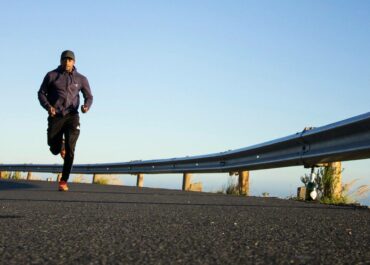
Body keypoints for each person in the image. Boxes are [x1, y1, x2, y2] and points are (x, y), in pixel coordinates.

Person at [38, 50, 93, 191]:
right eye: (65, 59)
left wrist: (86, 106)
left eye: (70, 60)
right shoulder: (51, 75)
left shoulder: (81, 79)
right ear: (61, 60)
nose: (67, 62)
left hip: (72, 116)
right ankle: (59, 146)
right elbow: (41, 93)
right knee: (53, 147)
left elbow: (89, 96)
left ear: (74, 62)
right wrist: (48, 107)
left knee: (71, 148)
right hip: (55, 115)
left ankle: (63, 180)